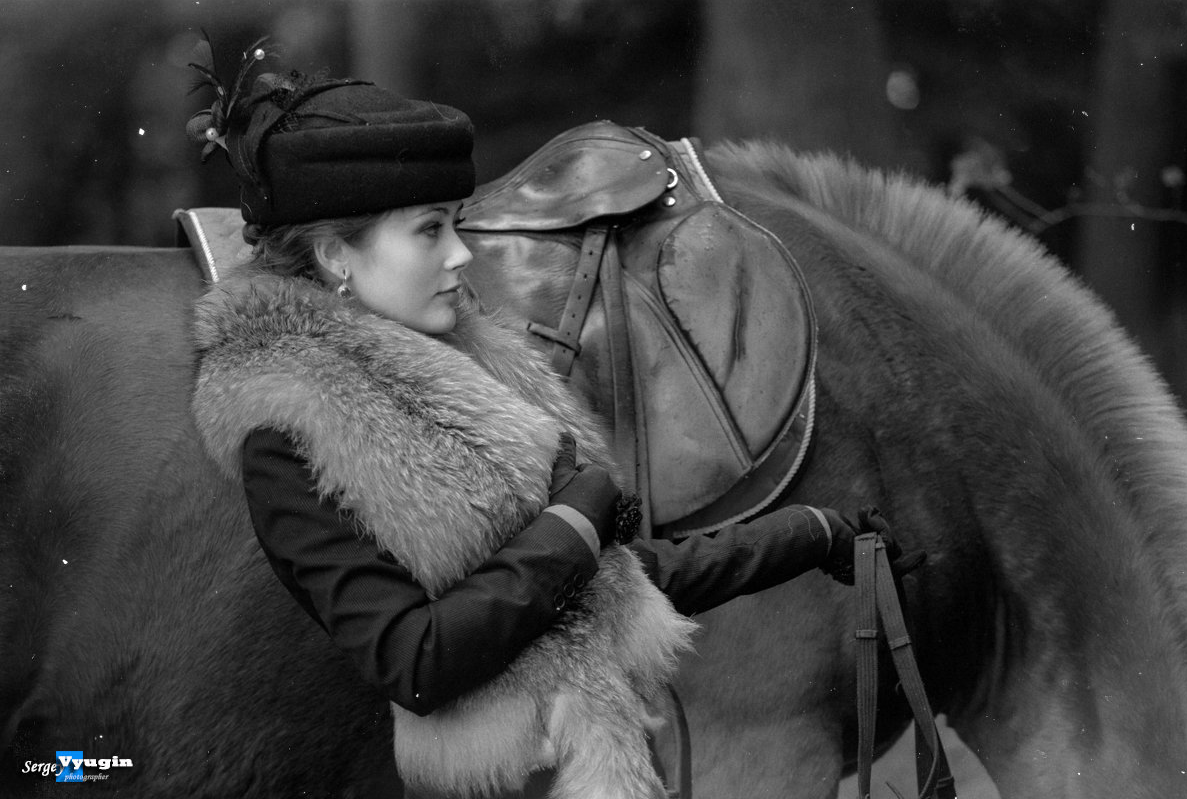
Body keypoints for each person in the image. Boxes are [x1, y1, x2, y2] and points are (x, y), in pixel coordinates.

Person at [186, 45, 920, 793]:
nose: (462, 255)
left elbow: (608, 584)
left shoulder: (475, 368)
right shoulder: (289, 430)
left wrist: (809, 533)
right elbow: (413, 661)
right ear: (337, 254)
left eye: (456, 225)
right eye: (429, 231)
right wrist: (573, 523)